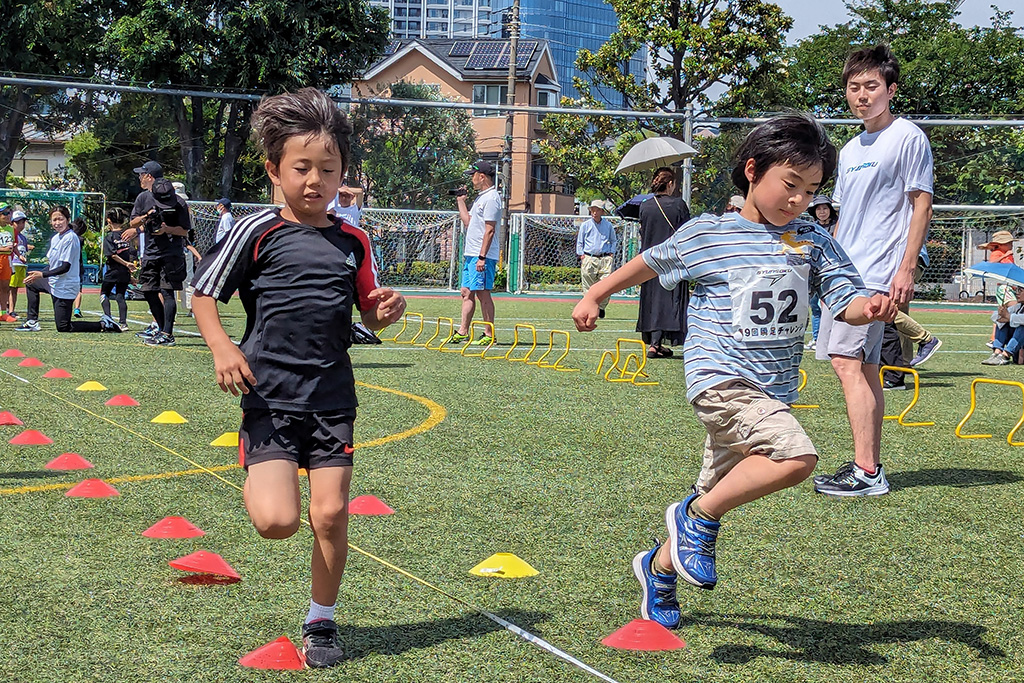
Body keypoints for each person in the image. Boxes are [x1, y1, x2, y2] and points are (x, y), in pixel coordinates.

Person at [571, 113, 896, 628]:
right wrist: (595, 293)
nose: (799, 200)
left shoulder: (813, 238)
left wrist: (869, 307)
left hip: (772, 392)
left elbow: (845, 300)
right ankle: (692, 519)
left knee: (714, 493)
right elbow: (650, 263)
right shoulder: (709, 233)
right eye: (790, 185)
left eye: (811, 190)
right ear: (752, 170)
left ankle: (657, 567)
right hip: (720, 382)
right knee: (796, 456)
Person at [191, 88, 405, 668]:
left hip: (333, 397)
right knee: (277, 523)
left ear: (342, 174)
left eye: (328, 169)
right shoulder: (255, 231)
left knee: (331, 515)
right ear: (274, 171)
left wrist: (383, 309)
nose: (315, 180)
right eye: (302, 168)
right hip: (270, 397)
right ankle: (261, 470)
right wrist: (223, 348)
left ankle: (321, 621)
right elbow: (203, 296)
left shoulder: (353, 239)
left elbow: (367, 306)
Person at [814, 45, 935, 496]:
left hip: (876, 272)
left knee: (848, 362)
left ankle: (867, 472)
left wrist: (905, 269)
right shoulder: (849, 149)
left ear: (891, 90)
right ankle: (869, 467)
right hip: (845, 270)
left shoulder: (908, 137)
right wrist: (829, 264)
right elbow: (845, 215)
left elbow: (920, 203)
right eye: (854, 87)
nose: (861, 95)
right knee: (862, 368)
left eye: (871, 86)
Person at [121, 161, 192, 347]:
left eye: (141, 174)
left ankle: (168, 334)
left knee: (167, 292)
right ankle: (161, 330)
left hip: (171, 253)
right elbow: (133, 223)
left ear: (149, 176)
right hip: (150, 253)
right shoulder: (143, 198)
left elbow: (185, 231)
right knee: (149, 292)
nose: (139, 178)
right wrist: (147, 216)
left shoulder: (178, 201)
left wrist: (167, 229)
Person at [15, 206, 119, 333]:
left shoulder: (70, 238)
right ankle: (32, 321)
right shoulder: (56, 238)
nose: (57, 223)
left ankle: (104, 324)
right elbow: (53, 265)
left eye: (60, 219)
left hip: (65, 286)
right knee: (32, 284)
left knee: (63, 327)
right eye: (54, 220)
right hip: (53, 282)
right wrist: (36, 276)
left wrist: (42, 274)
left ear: (68, 219)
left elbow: (65, 267)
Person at [447, 159, 501, 345]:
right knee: (466, 292)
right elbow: (469, 222)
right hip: (471, 254)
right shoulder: (481, 197)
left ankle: (489, 334)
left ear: (482, 176)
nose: (472, 179)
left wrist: (482, 257)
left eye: (473, 175)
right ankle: (463, 331)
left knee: (482, 293)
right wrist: (461, 202)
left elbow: (490, 230)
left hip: (482, 255)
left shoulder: (492, 198)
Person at [637, 167, 689, 358]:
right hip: (673, 260)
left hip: (649, 261)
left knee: (652, 300)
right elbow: (686, 233)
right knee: (670, 301)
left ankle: (654, 343)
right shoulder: (679, 205)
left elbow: (643, 232)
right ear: (670, 184)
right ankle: (657, 344)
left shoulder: (645, 206)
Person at [805, 195, 838, 350]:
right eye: (818, 209)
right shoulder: (811, 228)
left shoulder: (838, 226)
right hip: (813, 271)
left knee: (832, 306)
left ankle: (832, 339)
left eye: (825, 208)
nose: (822, 212)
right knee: (815, 306)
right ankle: (817, 339)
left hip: (832, 272)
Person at [576, 199, 617, 318]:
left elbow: (613, 240)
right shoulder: (585, 225)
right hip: (589, 257)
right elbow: (580, 242)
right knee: (588, 285)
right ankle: (588, 308)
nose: (594, 212)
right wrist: (582, 255)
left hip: (605, 258)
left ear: (602, 212)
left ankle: (601, 307)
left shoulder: (608, 226)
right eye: (592, 209)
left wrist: (611, 253)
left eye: (597, 210)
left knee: (607, 284)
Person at [978, 230, 1017, 347]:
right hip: (1004, 287)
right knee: (1014, 309)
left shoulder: (1008, 255)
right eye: (1008, 243)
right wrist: (1005, 255)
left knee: (1004, 313)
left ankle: (995, 339)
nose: (1011, 245)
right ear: (1001, 244)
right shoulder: (997, 253)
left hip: (1010, 286)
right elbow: (992, 264)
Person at [100, 207, 136, 331]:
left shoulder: (109, 237)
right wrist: (129, 270)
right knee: (120, 296)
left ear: (109, 221)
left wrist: (126, 264)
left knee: (104, 294)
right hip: (124, 273)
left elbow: (112, 255)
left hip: (113, 271)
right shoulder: (127, 237)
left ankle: (108, 318)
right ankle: (123, 323)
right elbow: (131, 253)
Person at [982, 285, 1024, 365]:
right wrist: (1001, 314)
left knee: (1022, 326)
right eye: (1016, 290)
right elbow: (994, 317)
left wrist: (1009, 317)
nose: (1016, 294)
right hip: (1018, 347)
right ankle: (997, 352)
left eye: (1020, 291)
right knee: (1003, 322)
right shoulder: (1018, 307)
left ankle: (1005, 355)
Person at [8, 209, 33, 318]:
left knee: (15, 289)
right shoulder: (10, 234)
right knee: (8, 288)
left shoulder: (22, 237)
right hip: (12, 264)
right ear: (11, 223)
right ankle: (7, 309)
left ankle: (11, 310)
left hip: (21, 265)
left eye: (22, 222)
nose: (20, 225)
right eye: (17, 222)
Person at [70, 217, 90, 318]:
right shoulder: (80, 239)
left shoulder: (69, 238)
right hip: (78, 266)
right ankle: (77, 309)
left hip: (68, 267)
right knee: (78, 289)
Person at [0, 203, 14, 321]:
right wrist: (2, 249)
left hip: (7, 260)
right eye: (4, 213)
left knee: (5, 286)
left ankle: (4, 313)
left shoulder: (10, 229)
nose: (8, 215)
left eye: (9, 212)